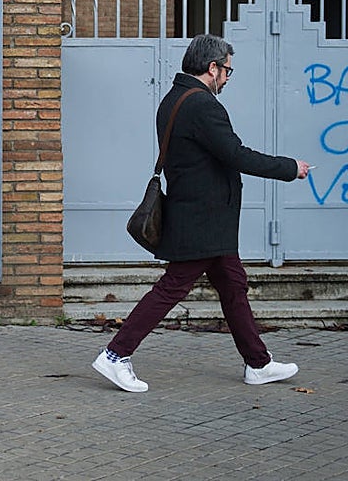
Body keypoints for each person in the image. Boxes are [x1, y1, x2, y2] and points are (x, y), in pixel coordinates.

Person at [92, 33, 311, 393]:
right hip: (202, 219)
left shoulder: (174, 98)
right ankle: (115, 354)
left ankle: (258, 363)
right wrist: (290, 168)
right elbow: (236, 154)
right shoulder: (202, 105)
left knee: (233, 287)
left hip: (206, 218)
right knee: (172, 288)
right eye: (227, 70)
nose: (227, 78)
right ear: (212, 68)